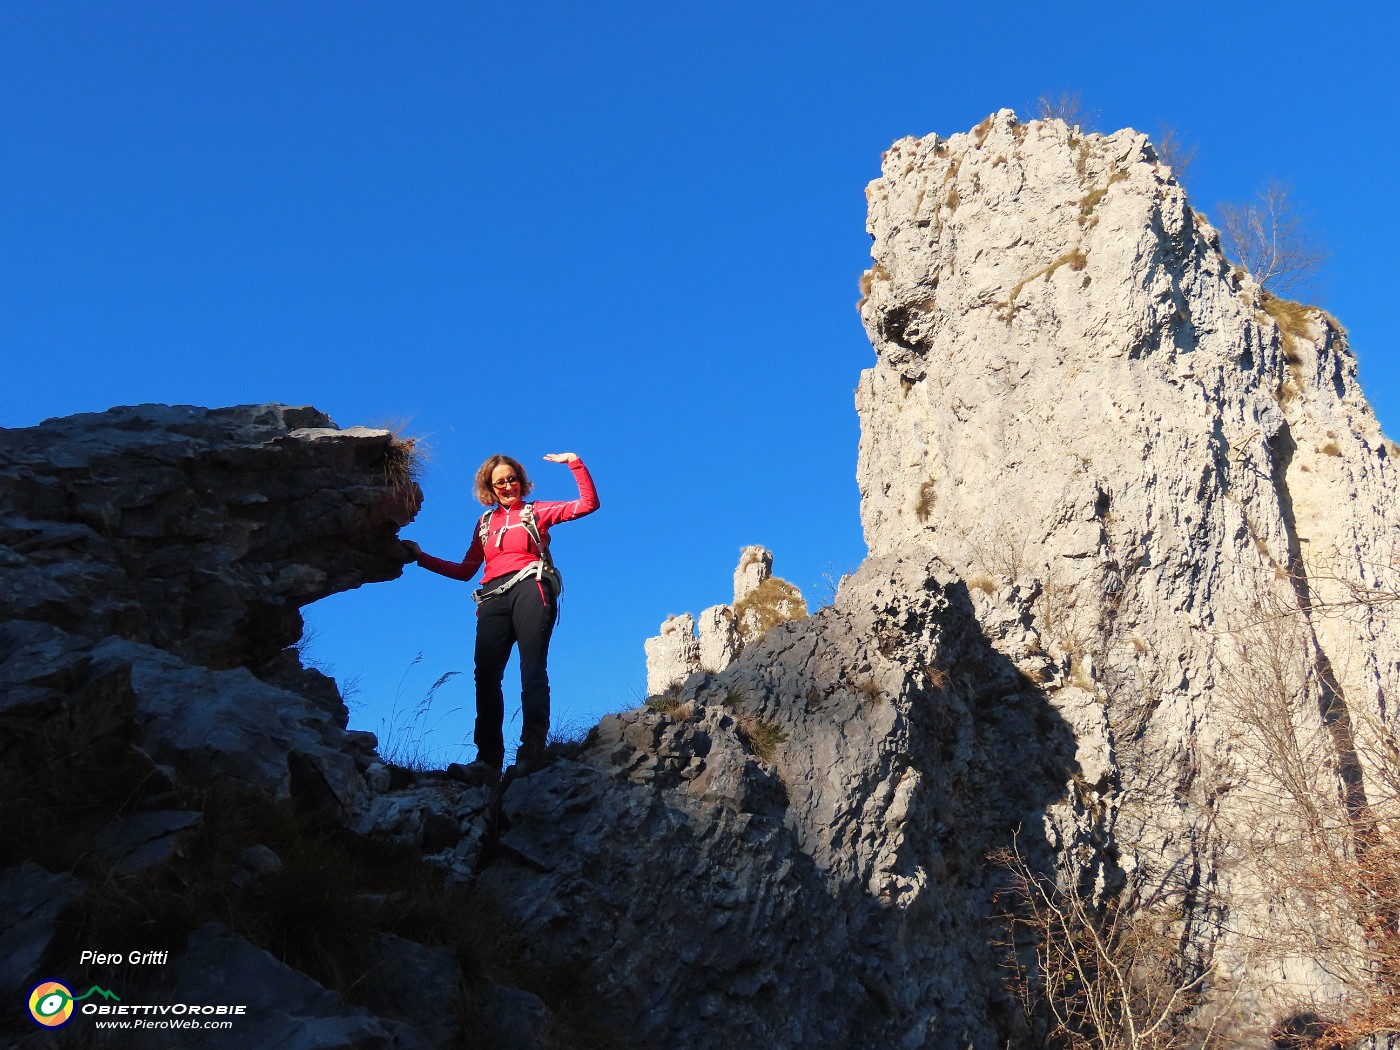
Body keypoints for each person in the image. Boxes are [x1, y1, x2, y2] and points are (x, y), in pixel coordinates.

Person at [401, 452, 599, 784]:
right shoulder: (484, 524)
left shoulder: (536, 512)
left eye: (512, 479)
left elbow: (588, 503)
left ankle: (531, 752)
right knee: (486, 676)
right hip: (491, 598)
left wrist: (574, 462)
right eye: (500, 482)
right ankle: (487, 762)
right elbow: (466, 571)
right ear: (489, 489)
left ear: (521, 481)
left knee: (531, 667)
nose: (507, 486)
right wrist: (421, 558)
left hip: (530, 586)